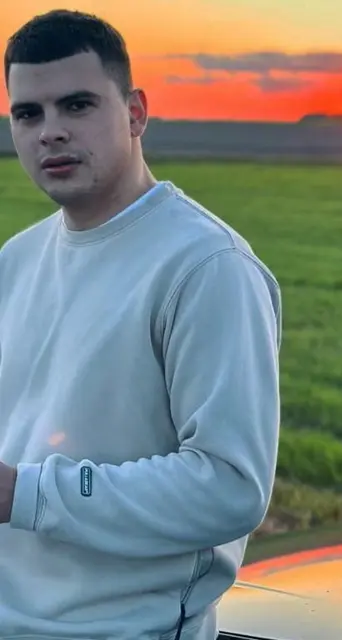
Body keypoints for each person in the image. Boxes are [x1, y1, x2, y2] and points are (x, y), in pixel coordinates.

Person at [0, 8, 282, 640]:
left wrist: (23, 493)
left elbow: (230, 487)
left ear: (135, 113)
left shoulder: (207, 266)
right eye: (28, 114)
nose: (50, 132)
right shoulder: (15, 259)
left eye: (77, 105)